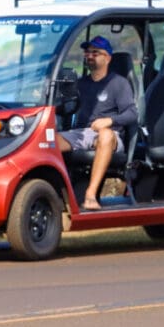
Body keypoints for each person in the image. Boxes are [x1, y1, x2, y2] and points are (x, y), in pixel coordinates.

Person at [56, 36, 137, 211]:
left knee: (105, 135)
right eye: (87, 52)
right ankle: (54, 194)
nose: (89, 56)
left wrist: (109, 120)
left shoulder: (119, 83)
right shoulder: (80, 84)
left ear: (107, 58)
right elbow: (65, 107)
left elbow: (132, 113)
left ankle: (91, 195)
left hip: (110, 135)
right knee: (46, 141)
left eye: (95, 52)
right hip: (80, 133)